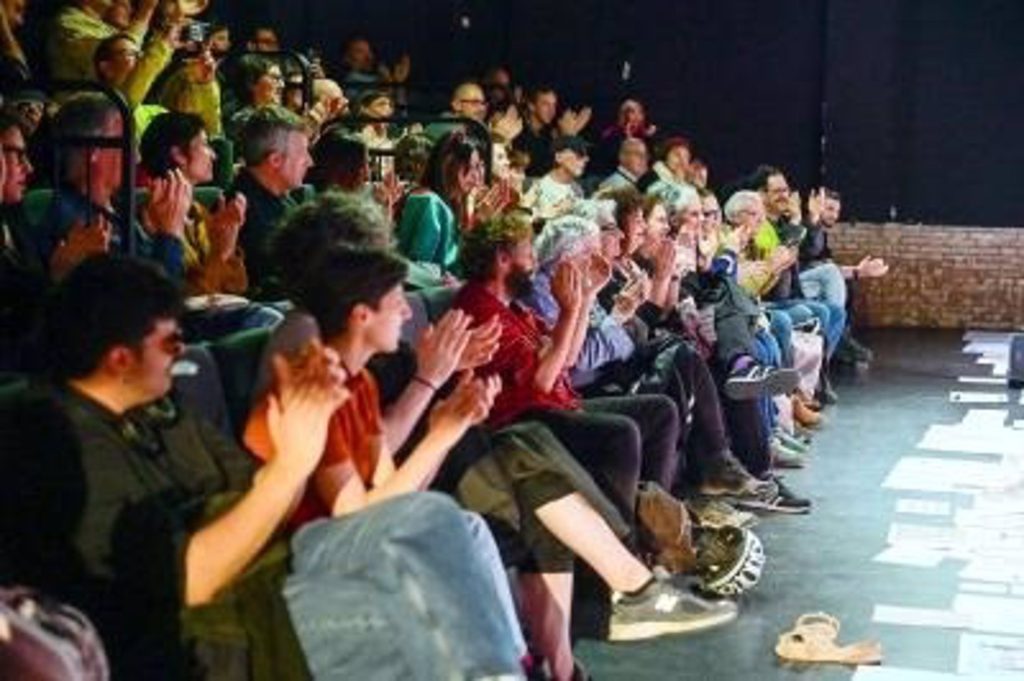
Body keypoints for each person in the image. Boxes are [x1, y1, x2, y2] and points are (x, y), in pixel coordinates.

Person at [0, 254, 525, 679]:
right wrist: (292, 464)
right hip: (201, 632)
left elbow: (266, 506)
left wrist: (301, 442)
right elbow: (190, 580)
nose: (182, 353)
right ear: (119, 358)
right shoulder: (56, 440)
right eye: (171, 342)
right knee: (421, 593)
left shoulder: (161, 412)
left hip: (274, 580)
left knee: (439, 531)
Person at [139, 111, 283, 340]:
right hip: (187, 329)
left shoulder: (198, 211)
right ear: (178, 155)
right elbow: (182, 302)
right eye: (205, 145)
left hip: (222, 311)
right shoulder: (151, 217)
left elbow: (238, 286)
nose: (214, 155)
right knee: (269, 319)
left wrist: (228, 244)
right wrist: (219, 255)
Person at [36, 93, 192, 282]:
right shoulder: (80, 226)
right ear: (94, 151)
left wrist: (155, 232)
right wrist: (170, 233)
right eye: (127, 142)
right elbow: (148, 296)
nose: (137, 157)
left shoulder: (117, 208)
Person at [231, 105, 313, 297]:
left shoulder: (283, 200)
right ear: (275, 160)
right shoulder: (240, 212)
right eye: (303, 153)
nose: (310, 162)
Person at [799, 187, 888, 364]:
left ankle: (840, 337)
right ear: (814, 205)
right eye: (829, 209)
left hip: (810, 282)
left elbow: (825, 268)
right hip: (796, 284)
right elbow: (813, 265)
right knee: (836, 276)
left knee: (846, 282)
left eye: (837, 211)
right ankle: (836, 340)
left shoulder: (821, 235)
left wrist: (858, 272)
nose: (835, 215)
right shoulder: (803, 228)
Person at [522, 135, 588, 219]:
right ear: (558, 157)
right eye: (579, 155)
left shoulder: (577, 190)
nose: (586, 159)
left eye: (586, 156)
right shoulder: (534, 185)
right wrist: (551, 212)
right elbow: (521, 218)